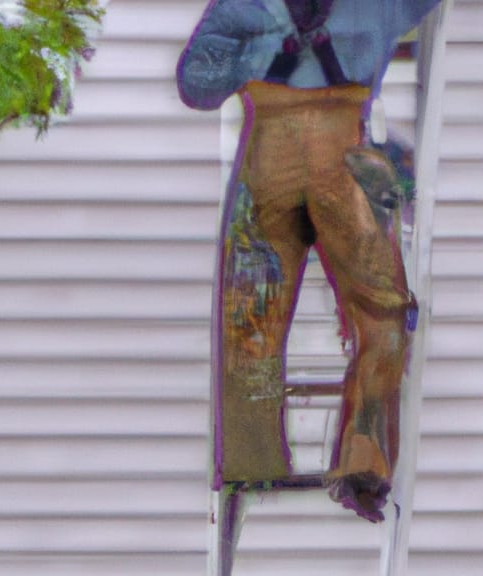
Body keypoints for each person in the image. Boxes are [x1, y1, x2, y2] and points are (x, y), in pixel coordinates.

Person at [177, 0, 442, 523]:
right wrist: (255, 52)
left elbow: (199, 85)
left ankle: (363, 461)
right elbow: (196, 86)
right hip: (277, 152)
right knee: (250, 313)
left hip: (342, 151)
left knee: (383, 310)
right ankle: (252, 460)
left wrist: (255, 52)